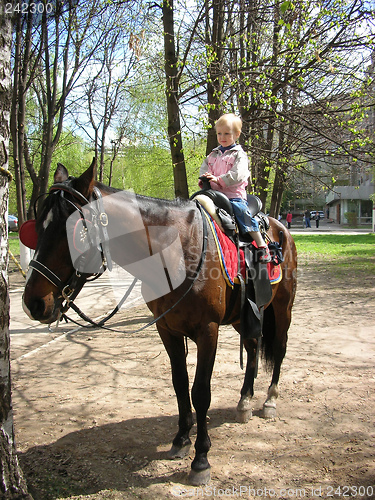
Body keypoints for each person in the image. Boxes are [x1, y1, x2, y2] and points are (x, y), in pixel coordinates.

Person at [199, 113, 271, 263]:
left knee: (241, 212)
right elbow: (204, 168)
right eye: (219, 133)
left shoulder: (239, 155)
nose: (222, 137)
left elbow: (238, 174)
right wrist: (204, 178)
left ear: (237, 134)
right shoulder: (213, 155)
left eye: (227, 133)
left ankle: (261, 244)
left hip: (233, 195)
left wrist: (219, 180)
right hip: (213, 195)